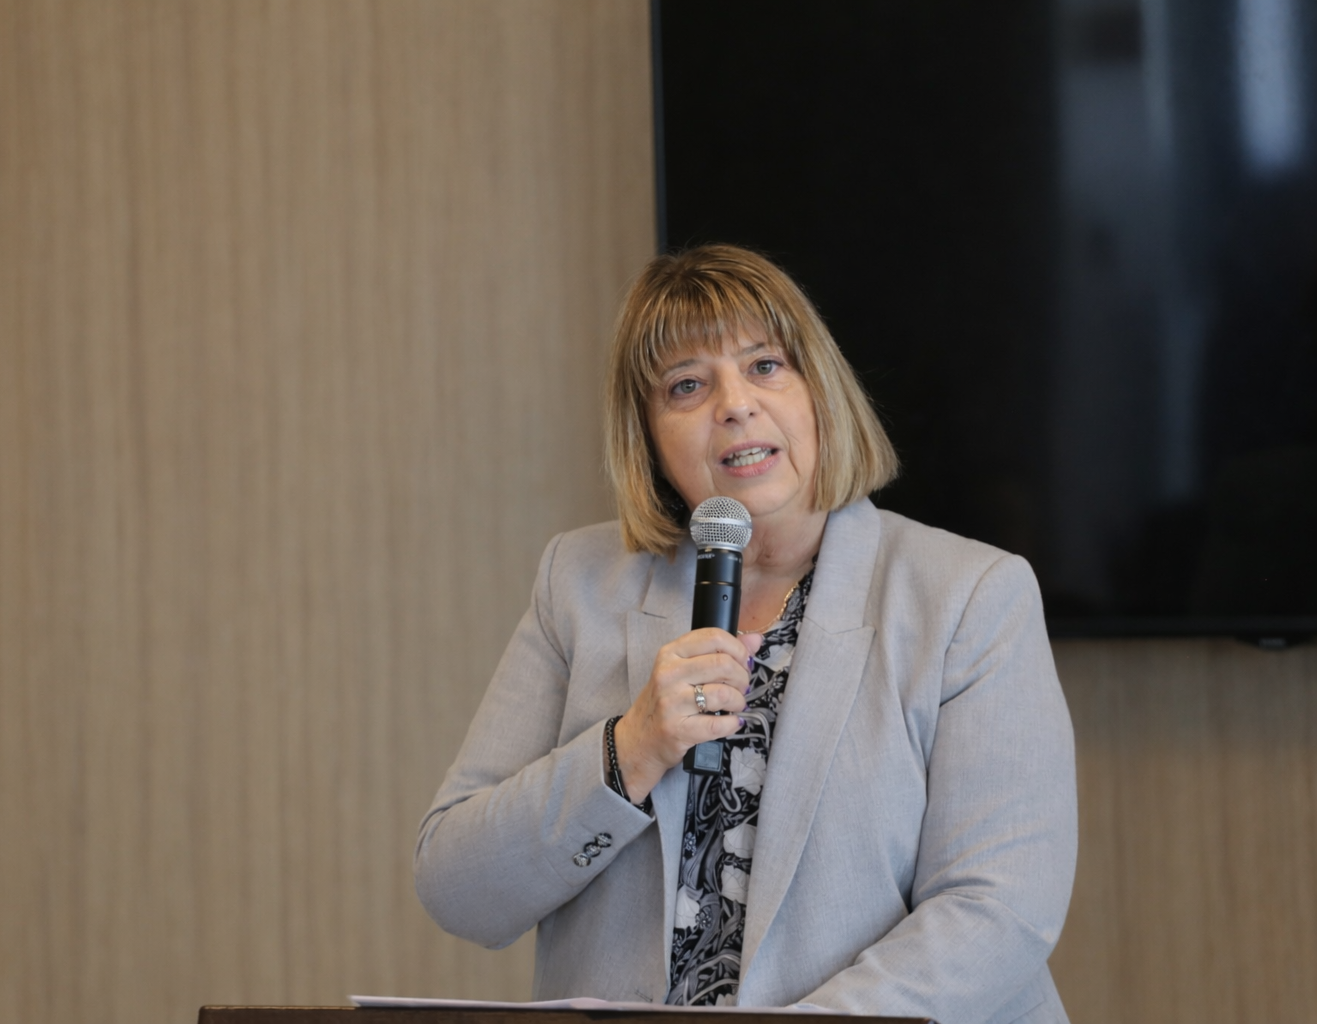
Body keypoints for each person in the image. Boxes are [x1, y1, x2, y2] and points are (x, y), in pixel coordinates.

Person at [414, 244, 1077, 1023]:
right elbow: (458, 890)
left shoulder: (968, 595)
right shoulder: (580, 585)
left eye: (765, 366)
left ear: (818, 390)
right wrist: (631, 748)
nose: (734, 405)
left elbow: (998, 909)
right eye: (686, 385)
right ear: (648, 437)